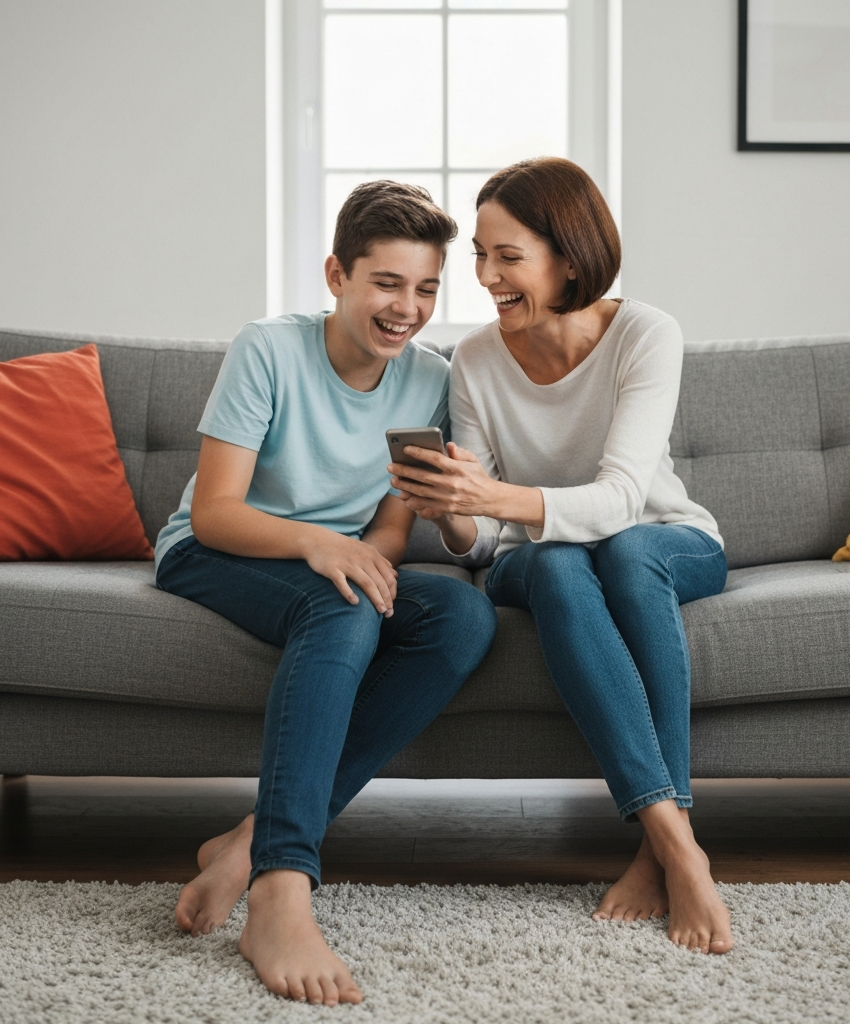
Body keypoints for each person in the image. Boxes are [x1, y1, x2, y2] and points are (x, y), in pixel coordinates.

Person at [155, 181, 498, 1003]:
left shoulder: (428, 381)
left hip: (328, 561)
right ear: (336, 275)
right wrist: (323, 545)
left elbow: (388, 527)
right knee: (340, 602)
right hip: (220, 551)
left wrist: (366, 558)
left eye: (425, 289)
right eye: (387, 283)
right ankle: (281, 888)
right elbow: (215, 513)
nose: (406, 307)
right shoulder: (267, 349)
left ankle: (248, 842)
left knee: (461, 614)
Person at [389, 158, 734, 955]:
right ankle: (677, 840)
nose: (485, 276)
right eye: (479, 254)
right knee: (553, 562)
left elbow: (621, 500)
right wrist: (448, 510)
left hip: (663, 538)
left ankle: (661, 846)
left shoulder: (647, 334)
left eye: (507, 256)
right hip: (533, 555)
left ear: (569, 257)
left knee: (624, 553)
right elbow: (479, 548)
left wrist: (493, 500)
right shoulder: (473, 361)